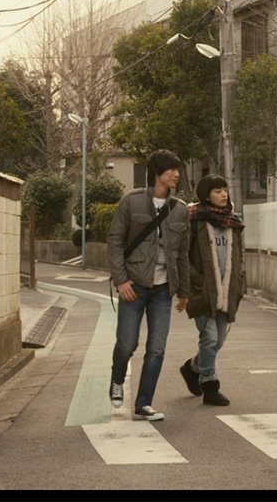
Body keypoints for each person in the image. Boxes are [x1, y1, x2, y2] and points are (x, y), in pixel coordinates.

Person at [107, 149, 190, 421]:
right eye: (171, 170)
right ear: (157, 173)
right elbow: (115, 242)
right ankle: (117, 379)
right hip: (134, 285)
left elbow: (183, 254)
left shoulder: (180, 209)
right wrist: (121, 280)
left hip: (163, 290)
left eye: (178, 170)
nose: (176, 174)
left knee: (156, 349)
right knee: (126, 344)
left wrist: (184, 291)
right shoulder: (131, 202)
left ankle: (143, 403)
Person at [178, 174, 245, 406]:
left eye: (225, 189)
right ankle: (210, 384)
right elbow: (183, 255)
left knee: (218, 342)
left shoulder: (233, 222)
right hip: (203, 291)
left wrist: (238, 282)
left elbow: (238, 256)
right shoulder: (194, 219)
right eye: (217, 191)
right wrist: (196, 281)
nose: (223, 194)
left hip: (226, 291)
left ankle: (192, 368)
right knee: (209, 338)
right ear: (206, 195)